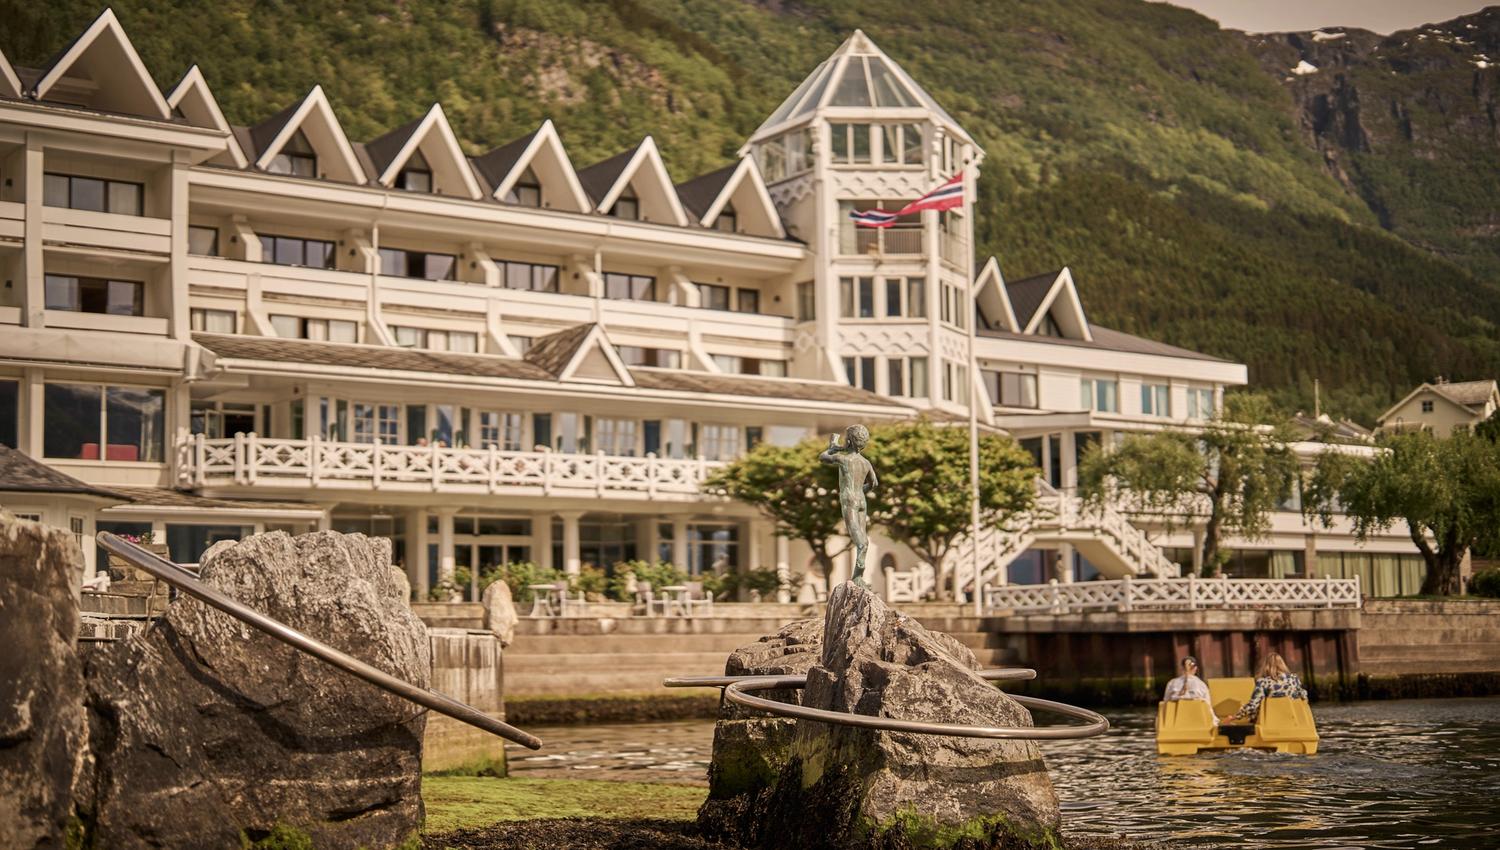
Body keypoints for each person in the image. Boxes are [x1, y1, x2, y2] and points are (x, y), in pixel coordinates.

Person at [819, 424, 878, 587]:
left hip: (849, 499)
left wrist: (834, 448)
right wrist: (860, 490)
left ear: (850, 441)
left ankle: (858, 575)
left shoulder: (843, 459)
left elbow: (823, 457)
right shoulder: (865, 463)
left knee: (859, 540)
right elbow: (874, 483)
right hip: (861, 499)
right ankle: (858, 576)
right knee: (862, 539)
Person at [1222, 652, 1306, 724]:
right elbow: (1303, 695)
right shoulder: (1294, 679)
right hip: (1293, 720)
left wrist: (1233, 717)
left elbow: (1253, 706)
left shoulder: (1264, 682)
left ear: (1266, 666)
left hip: (1270, 721)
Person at [1162, 656, 1216, 724]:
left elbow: (1165, 703)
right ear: (1195, 668)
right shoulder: (1201, 685)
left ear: (1181, 668)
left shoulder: (1171, 683)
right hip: (1200, 721)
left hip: (1175, 723)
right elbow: (1208, 706)